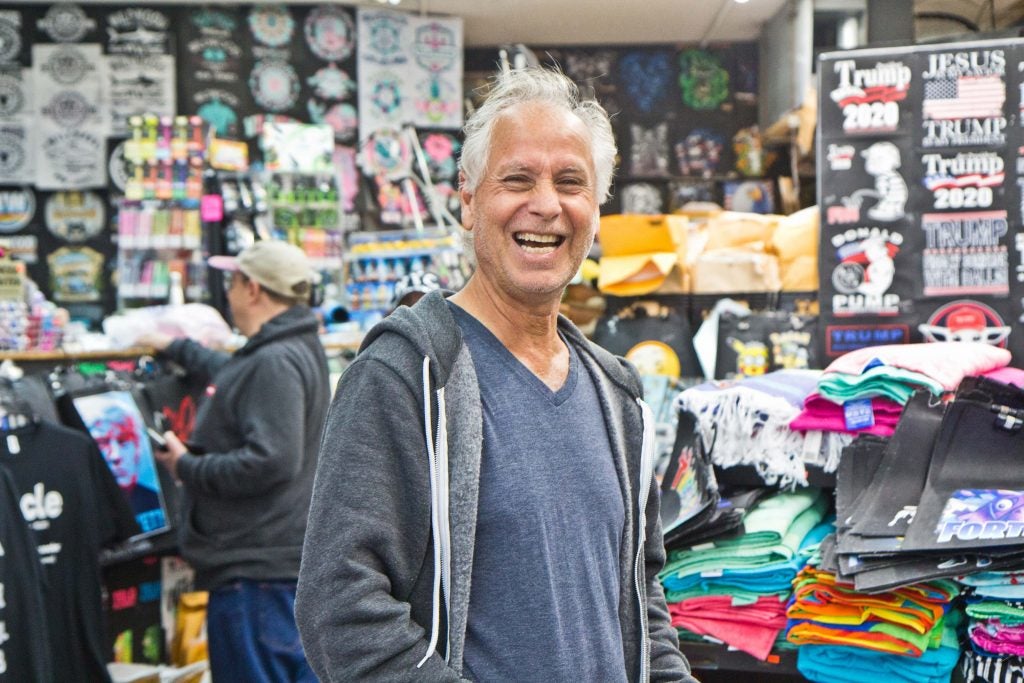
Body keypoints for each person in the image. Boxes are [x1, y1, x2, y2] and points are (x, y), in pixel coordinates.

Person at [295, 67, 697, 682]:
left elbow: (640, 601)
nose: (545, 204)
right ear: (467, 201)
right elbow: (341, 611)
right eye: (516, 179)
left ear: (594, 209)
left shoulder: (618, 397)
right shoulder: (405, 376)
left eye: (571, 182)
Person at [137, 239, 330, 682]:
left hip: (257, 572)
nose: (227, 291)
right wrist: (178, 348)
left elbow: (272, 460)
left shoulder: (276, 360)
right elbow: (238, 375)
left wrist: (186, 466)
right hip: (270, 568)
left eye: (233, 280)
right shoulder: (289, 347)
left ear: (254, 289)